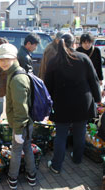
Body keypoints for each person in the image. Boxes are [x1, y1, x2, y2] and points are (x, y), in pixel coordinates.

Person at [44, 33, 101, 174]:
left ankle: (56, 165)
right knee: (80, 133)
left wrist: (47, 105)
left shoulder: (54, 61)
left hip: (61, 105)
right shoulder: (83, 58)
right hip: (82, 104)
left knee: (61, 135)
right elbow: (94, 81)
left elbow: (47, 87)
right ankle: (77, 158)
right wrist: (98, 98)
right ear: (74, 44)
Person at [0, 43, 36, 188]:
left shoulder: (17, 78)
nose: (4, 62)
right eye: (0, 59)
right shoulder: (13, 73)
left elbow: (21, 108)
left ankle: (13, 179)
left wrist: (18, 130)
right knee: (27, 148)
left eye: (7, 59)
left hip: (22, 124)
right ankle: (32, 176)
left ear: (14, 58)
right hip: (25, 122)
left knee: (17, 151)